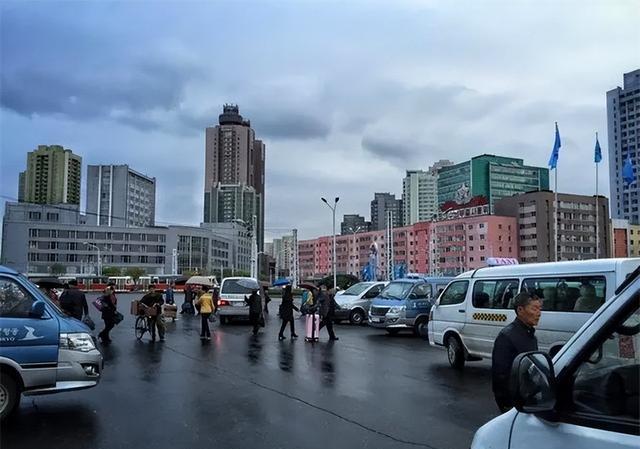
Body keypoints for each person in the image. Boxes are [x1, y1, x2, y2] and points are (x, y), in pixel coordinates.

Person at [491, 291, 541, 413]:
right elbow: (500, 376)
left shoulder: (531, 335)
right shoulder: (507, 337)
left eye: (540, 309)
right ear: (520, 310)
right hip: (515, 404)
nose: (539, 314)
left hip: (529, 399)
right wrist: (506, 405)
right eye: (534, 309)